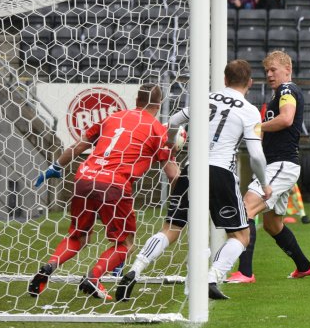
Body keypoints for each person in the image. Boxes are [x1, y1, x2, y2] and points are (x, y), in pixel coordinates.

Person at [115, 60, 272, 301]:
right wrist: (264, 184)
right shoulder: (249, 111)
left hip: (191, 170)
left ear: (225, 80)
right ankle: (212, 277)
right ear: (249, 83)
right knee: (241, 236)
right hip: (220, 173)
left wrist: (172, 145)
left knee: (170, 229)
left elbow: (171, 124)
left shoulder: (205, 98)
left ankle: (135, 269)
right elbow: (257, 156)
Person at [28, 84, 180, 300]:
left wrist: (56, 167)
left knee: (78, 236)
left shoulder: (114, 117)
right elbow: (173, 175)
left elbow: (81, 145)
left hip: (84, 178)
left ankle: (50, 266)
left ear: (137, 100)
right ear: (160, 104)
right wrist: (180, 198)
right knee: (124, 244)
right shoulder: (156, 129)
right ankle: (94, 276)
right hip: (114, 185)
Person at [226, 51, 310, 284]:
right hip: (280, 165)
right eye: (266, 71)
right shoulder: (279, 94)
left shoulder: (287, 90)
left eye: (273, 70)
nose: (269, 74)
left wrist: (257, 127)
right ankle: (305, 266)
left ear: (287, 69)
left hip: (281, 164)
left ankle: (245, 272)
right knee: (273, 225)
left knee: (245, 209)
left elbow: (286, 119)